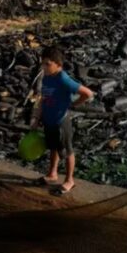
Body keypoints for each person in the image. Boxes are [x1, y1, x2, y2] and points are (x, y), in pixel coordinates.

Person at [31, 46, 94, 196]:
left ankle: (69, 180)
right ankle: (52, 174)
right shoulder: (46, 77)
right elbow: (42, 98)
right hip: (49, 120)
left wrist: (74, 104)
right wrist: (35, 118)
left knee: (67, 151)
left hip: (61, 121)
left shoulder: (62, 78)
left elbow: (87, 93)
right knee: (53, 147)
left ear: (58, 65)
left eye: (48, 64)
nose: (44, 67)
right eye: (43, 63)